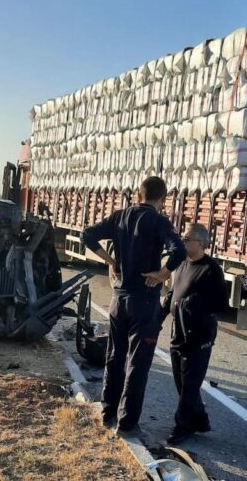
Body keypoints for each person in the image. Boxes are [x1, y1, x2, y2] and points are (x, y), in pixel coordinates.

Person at [82, 176, 186, 437]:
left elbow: (87, 235)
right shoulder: (159, 221)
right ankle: (127, 423)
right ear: (162, 199)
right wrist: (163, 273)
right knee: (137, 363)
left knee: (115, 356)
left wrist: (111, 260)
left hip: (119, 300)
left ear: (139, 194)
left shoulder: (119, 216)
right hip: (145, 300)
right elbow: (179, 251)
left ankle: (107, 413)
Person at [161, 223, 228, 445]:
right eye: (183, 237)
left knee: (189, 384)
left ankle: (182, 427)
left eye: (187, 238)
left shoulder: (211, 270)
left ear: (201, 244)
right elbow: (172, 294)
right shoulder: (180, 264)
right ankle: (200, 421)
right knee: (182, 383)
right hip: (178, 333)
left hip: (198, 336)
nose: (183, 241)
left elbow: (220, 304)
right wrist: (157, 319)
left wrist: (190, 303)